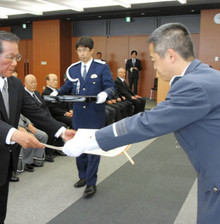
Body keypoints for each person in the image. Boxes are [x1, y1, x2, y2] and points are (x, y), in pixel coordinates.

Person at [62, 23, 220, 224]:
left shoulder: (193, 85)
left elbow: (149, 122)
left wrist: (90, 140)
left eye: (154, 59)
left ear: (170, 55)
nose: (153, 66)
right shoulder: (204, 75)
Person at [0, 31, 74, 224]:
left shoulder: (14, 83)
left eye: (17, 57)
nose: (15, 63)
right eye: (10, 58)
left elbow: (35, 111)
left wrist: (62, 131)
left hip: (4, 161)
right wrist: (15, 134)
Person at [53, 36, 115, 198]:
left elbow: (111, 87)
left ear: (91, 50)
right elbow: (68, 86)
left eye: (84, 50)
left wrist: (105, 94)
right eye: (79, 50)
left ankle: (91, 182)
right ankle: (83, 176)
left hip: (95, 115)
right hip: (79, 115)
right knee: (79, 147)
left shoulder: (101, 67)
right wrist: (56, 92)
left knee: (93, 149)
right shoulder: (73, 69)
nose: (81, 54)